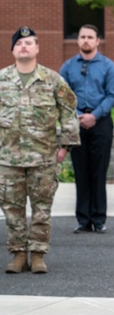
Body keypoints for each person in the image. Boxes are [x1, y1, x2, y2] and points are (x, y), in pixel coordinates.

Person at [1, 27, 80, 273]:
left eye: (28, 43)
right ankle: (17, 254)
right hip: (8, 159)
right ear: (12, 49)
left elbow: (69, 113)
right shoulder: (2, 80)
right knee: (12, 209)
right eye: (19, 43)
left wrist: (64, 147)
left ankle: (37, 254)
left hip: (43, 158)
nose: (23, 46)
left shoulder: (53, 80)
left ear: (37, 48)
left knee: (42, 209)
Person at [60, 24, 114, 234]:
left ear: (97, 41)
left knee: (98, 172)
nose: (86, 40)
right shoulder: (67, 67)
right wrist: (78, 115)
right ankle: (83, 220)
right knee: (81, 172)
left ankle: (99, 219)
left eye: (90, 37)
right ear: (78, 41)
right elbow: (63, 94)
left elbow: (112, 95)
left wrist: (94, 115)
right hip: (76, 123)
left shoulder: (108, 66)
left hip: (100, 122)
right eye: (82, 36)